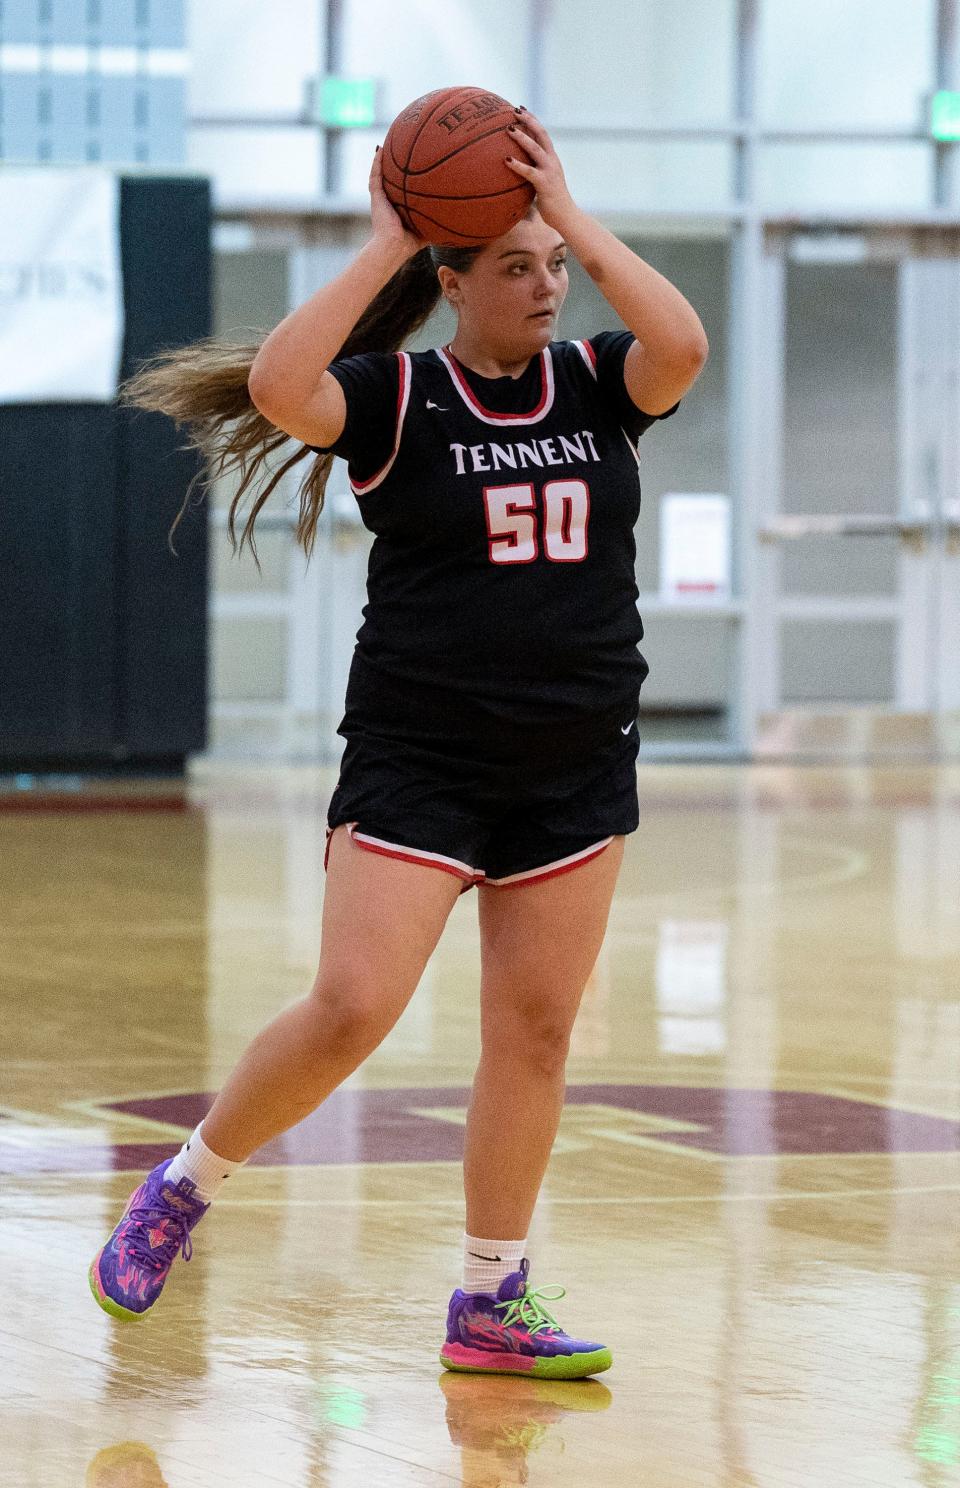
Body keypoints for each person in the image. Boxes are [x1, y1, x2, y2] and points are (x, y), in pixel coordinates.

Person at [89, 108, 708, 1379]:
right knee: (353, 1006)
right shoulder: (395, 396)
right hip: (423, 758)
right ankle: (187, 1185)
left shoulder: (601, 383)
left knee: (533, 1036)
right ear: (456, 281)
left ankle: (491, 1298)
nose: (544, 287)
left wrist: (573, 217)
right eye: (517, 267)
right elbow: (274, 390)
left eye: (554, 268)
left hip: (577, 763)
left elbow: (683, 342)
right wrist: (388, 241)